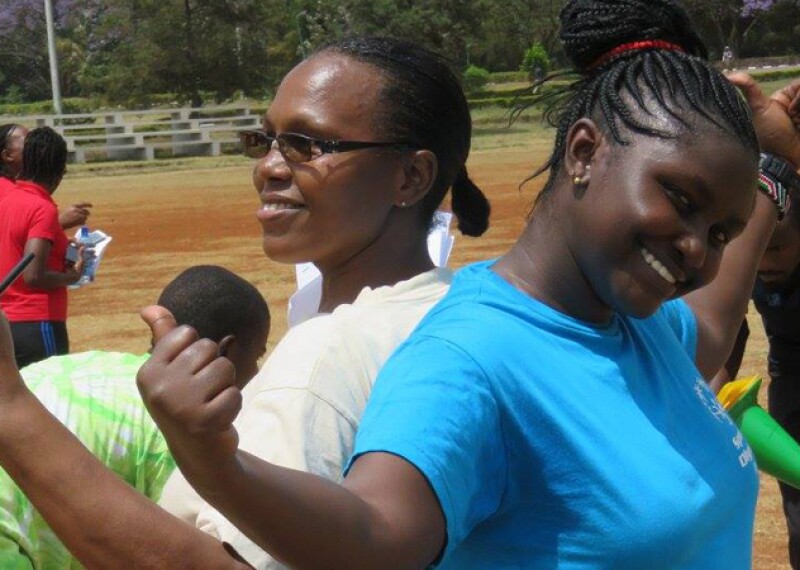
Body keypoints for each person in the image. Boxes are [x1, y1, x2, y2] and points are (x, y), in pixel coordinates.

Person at [129, 1, 800, 568]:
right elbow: (378, 532)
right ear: (585, 152)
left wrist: (773, 168)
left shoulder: (635, 320)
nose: (697, 254)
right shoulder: (467, 358)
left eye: (719, 233)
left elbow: (710, 329)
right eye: (680, 200)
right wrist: (219, 467)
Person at [0, 36, 489, 568]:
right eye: (266, 140)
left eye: (307, 144)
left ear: (411, 176)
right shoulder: (464, 309)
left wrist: (10, 408)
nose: (270, 167)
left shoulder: (325, 354)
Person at [0, 265, 270, 570]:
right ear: (228, 351)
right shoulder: (181, 427)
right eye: (258, 356)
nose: (258, 374)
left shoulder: (90, 366)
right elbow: (162, 556)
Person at [712, 191, 800, 567]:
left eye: (777, 248)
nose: (765, 262)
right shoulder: (749, 266)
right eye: (758, 250)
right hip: (791, 373)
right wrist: (710, 395)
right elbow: (730, 330)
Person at [0, 127, 87, 368]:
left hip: (7, 323)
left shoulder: (7, 199)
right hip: (38, 323)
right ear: (60, 170)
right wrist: (70, 276)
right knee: (48, 399)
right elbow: (33, 275)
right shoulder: (42, 208)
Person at [0, 123, 92, 230]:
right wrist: (59, 223)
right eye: (28, 143)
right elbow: (9, 236)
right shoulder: (6, 190)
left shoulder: (15, 186)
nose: (36, 145)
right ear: (7, 155)